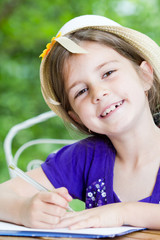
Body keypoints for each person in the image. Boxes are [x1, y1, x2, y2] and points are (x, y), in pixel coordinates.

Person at [1, 14, 160, 230]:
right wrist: (23, 209)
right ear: (76, 116)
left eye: (108, 72)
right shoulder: (86, 158)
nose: (99, 93)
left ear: (145, 76)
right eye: (81, 91)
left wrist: (123, 212)